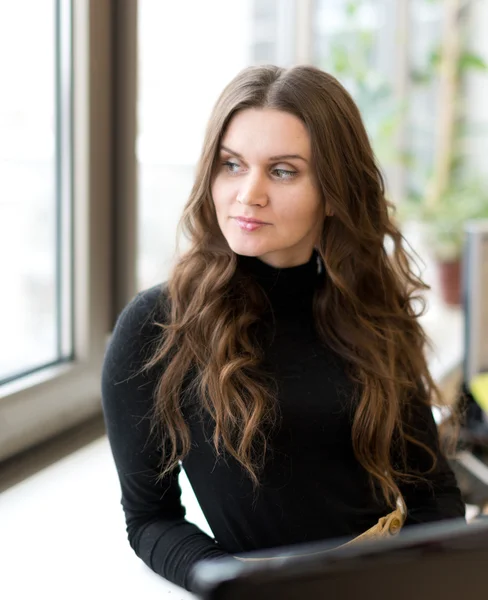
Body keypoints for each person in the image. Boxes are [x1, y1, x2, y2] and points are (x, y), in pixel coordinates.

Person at [101, 65, 465, 592]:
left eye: (283, 171)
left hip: (391, 574)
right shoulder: (158, 326)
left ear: (335, 192)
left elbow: (430, 488)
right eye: (231, 164)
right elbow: (149, 520)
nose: (248, 194)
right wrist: (237, 586)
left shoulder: (370, 308)